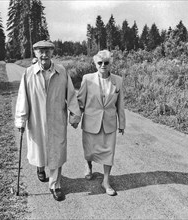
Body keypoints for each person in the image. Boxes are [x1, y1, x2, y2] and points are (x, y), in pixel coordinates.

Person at [15, 40, 81, 201]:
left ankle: (55, 185)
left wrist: (75, 115)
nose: (44, 54)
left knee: (56, 151)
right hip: (36, 119)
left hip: (57, 119)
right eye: (40, 51)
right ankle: (40, 166)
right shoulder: (28, 73)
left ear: (52, 53)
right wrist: (21, 120)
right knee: (40, 149)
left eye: (47, 51)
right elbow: (22, 97)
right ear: (35, 53)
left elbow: (71, 94)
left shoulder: (61, 71)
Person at [77, 50, 125, 196]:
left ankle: (106, 181)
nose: (103, 65)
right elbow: (80, 101)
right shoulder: (87, 79)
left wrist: (122, 123)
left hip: (109, 122)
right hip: (91, 121)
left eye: (106, 63)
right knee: (90, 150)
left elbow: (120, 105)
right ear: (95, 64)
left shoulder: (118, 81)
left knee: (109, 152)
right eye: (100, 63)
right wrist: (75, 117)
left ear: (110, 64)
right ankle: (88, 164)